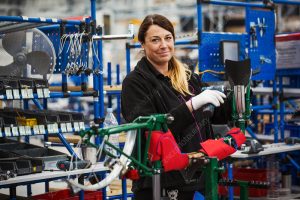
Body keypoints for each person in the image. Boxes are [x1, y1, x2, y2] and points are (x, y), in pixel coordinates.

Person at [121, 14, 228, 200]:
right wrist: (192, 105)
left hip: (202, 176)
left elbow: (215, 117)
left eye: (168, 38)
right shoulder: (135, 83)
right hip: (163, 184)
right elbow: (151, 133)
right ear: (142, 45)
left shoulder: (187, 76)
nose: (163, 45)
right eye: (155, 40)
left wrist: (236, 99)